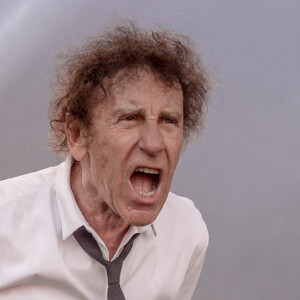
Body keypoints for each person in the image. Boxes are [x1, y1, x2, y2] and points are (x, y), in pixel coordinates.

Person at [0, 21, 211, 300]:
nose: (154, 143)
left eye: (169, 120)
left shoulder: (187, 231)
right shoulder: (6, 220)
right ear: (77, 135)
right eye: (129, 118)